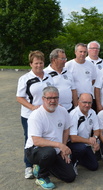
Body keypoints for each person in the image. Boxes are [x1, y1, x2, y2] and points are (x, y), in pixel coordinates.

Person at [25, 86, 76, 189]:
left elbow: (66, 130)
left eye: (55, 98)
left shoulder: (62, 111)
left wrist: (63, 148)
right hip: (34, 150)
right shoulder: (36, 115)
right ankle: (41, 177)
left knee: (70, 177)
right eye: (49, 98)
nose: (52, 101)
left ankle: (43, 166)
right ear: (43, 99)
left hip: (54, 150)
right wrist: (59, 145)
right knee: (49, 152)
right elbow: (37, 141)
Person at [16, 50, 54, 179]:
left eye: (41, 62)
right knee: (30, 140)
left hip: (46, 115)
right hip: (29, 115)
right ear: (31, 64)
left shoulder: (49, 76)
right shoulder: (25, 79)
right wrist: (32, 107)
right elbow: (20, 98)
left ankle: (39, 163)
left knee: (44, 138)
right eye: (36, 63)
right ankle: (28, 166)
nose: (39, 65)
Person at [68, 93, 100, 174]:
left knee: (94, 166)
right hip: (73, 144)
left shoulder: (92, 112)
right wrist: (89, 141)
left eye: (89, 103)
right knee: (81, 148)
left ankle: (80, 160)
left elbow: (97, 130)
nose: (87, 105)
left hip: (86, 143)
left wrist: (94, 138)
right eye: (84, 102)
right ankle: (73, 162)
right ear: (78, 102)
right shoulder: (73, 115)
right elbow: (73, 138)